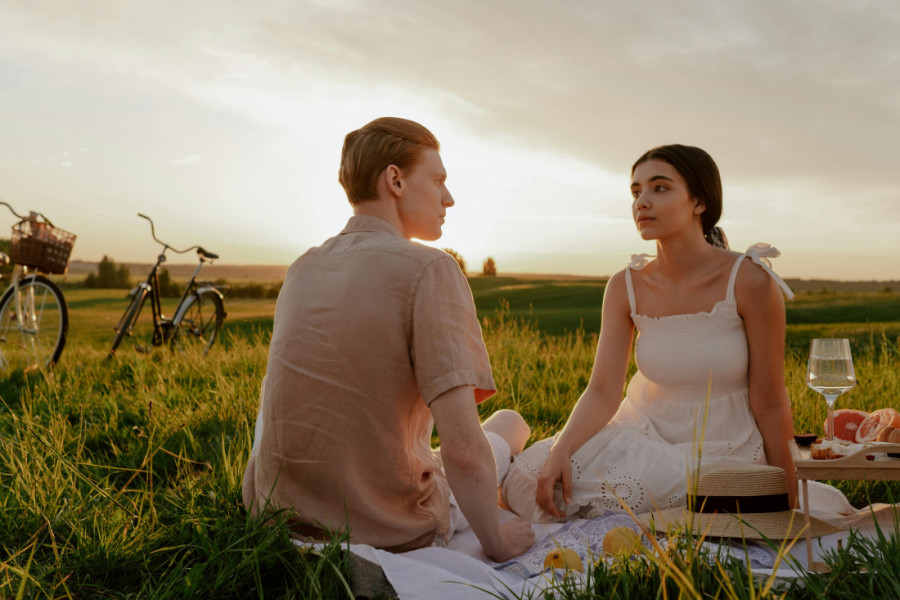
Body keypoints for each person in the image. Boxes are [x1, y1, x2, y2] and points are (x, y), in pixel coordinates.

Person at [242, 117, 535, 562]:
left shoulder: (302, 266)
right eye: (438, 180)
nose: (449, 198)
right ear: (394, 180)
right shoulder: (430, 269)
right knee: (510, 424)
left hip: (277, 512)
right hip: (383, 521)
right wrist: (494, 540)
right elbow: (461, 444)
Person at [501, 144, 801, 522]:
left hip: (723, 450)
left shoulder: (750, 280)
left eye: (660, 188)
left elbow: (771, 400)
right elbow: (602, 390)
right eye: (636, 191)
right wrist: (561, 448)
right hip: (641, 436)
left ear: (699, 202)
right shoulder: (625, 285)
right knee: (529, 479)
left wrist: (790, 493)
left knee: (688, 496)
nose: (642, 201)